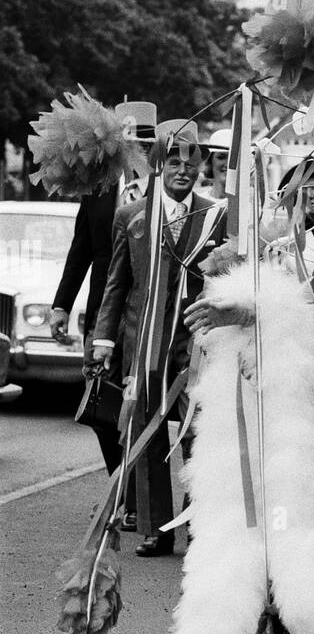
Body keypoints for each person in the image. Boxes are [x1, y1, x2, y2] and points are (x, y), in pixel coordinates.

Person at [91, 120, 226, 556]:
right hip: (142, 339)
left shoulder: (216, 216)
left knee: (197, 431)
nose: (183, 170)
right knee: (145, 434)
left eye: (192, 161)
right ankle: (155, 527)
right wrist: (103, 340)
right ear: (158, 165)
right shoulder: (131, 216)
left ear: (201, 167)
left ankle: (196, 518)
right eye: (173, 161)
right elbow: (116, 282)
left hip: (195, 344)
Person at [49, 101, 156, 512]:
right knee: (101, 404)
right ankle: (123, 487)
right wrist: (62, 305)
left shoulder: (168, 187)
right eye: (131, 143)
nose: (138, 151)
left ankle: (143, 496)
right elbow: (81, 248)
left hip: (147, 313)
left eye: (146, 143)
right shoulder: (98, 187)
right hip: (101, 312)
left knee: (143, 405)